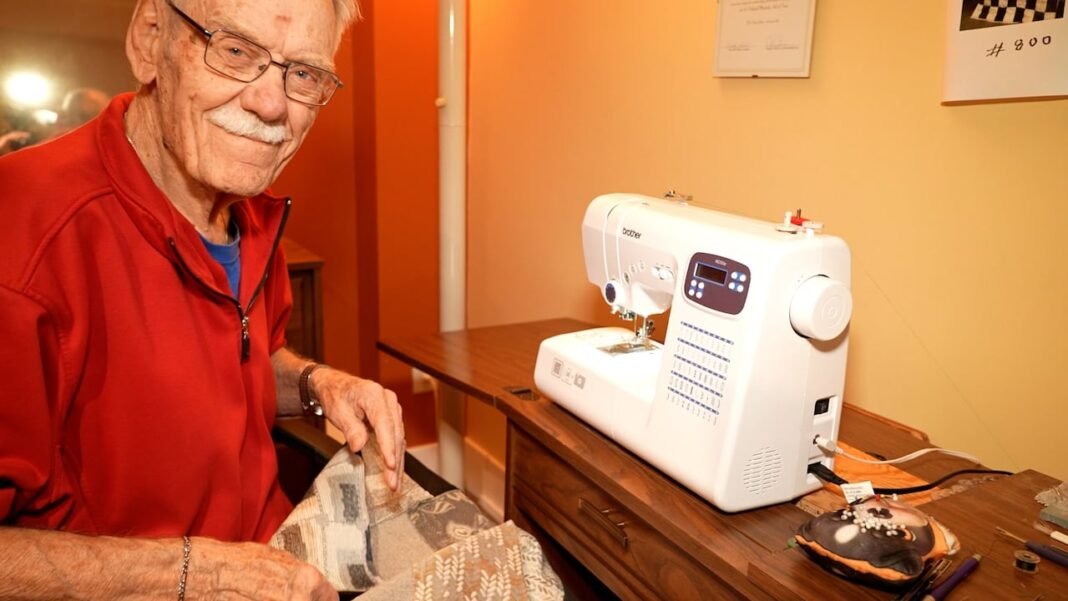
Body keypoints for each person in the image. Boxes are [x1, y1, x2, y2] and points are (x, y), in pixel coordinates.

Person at [0, 0, 403, 599]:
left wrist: (319, 384)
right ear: (149, 40)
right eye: (236, 50)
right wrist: (204, 574)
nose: (271, 105)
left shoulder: (250, 213)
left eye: (304, 74)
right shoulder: (20, 232)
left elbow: (235, 362)